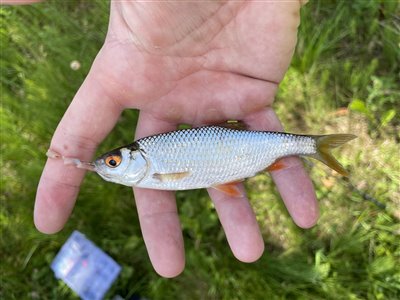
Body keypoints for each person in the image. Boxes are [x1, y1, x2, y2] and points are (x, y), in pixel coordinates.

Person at [6, 1, 318, 278]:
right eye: (111, 162)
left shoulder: (154, 167)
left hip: (241, 151)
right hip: (236, 155)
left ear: (133, 159)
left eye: (113, 161)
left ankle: (310, 146)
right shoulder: (151, 166)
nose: (108, 165)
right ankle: (309, 146)